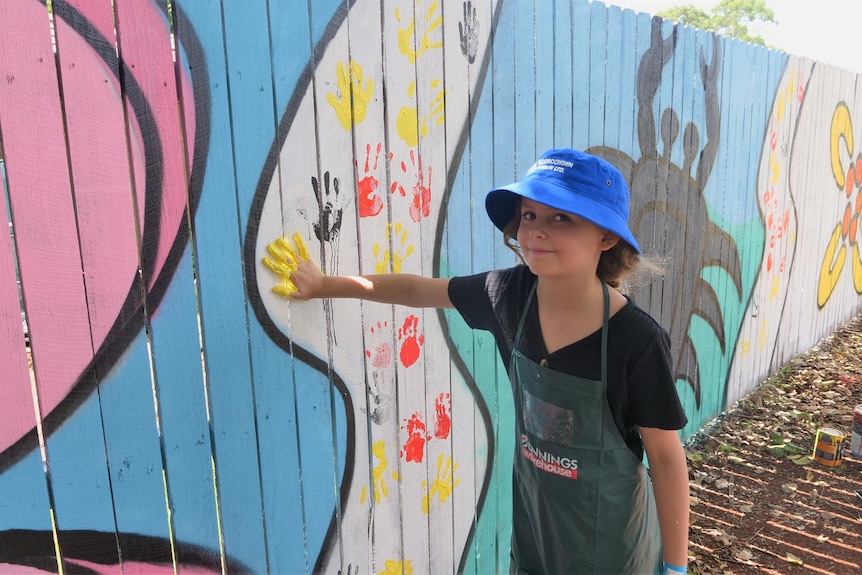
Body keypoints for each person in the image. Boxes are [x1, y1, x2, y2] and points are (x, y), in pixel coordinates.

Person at [264, 148, 690, 574]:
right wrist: (324, 285)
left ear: (606, 237)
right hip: (536, 537)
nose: (537, 232)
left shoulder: (637, 340)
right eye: (529, 215)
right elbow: (418, 290)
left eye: (562, 218)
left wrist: (675, 568)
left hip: (613, 550)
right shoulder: (508, 296)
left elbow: (667, 459)